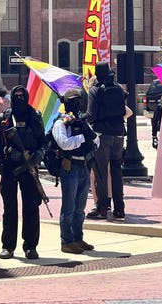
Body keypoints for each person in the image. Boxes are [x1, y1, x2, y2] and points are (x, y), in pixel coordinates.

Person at [0, 85, 47, 260]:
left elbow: (43, 141)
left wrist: (39, 154)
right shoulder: (2, 119)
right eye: (17, 96)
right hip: (9, 169)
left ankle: (30, 246)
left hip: (29, 169)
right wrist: (6, 152)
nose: (20, 99)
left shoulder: (35, 117)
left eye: (23, 96)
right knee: (10, 209)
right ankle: (8, 246)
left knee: (31, 208)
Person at [52, 88, 97, 254]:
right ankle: (66, 241)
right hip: (69, 167)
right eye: (74, 101)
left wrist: (88, 135)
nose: (77, 104)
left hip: (84, 166)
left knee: (80, 207)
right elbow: (65, 143)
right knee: (69, 207)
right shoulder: (61, 122)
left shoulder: (83, 121)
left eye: (79, 100)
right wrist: (83, 137)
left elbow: (96, 140)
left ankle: (78, 238)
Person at [85, 61, 128, 221]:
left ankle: (102, 208)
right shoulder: (117, 88)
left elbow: (91, 115)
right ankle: (119, 209)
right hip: (118, 134)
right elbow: (124, 102)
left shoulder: (95, 90)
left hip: (103, 135)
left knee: (101, 172)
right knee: (117, 171)